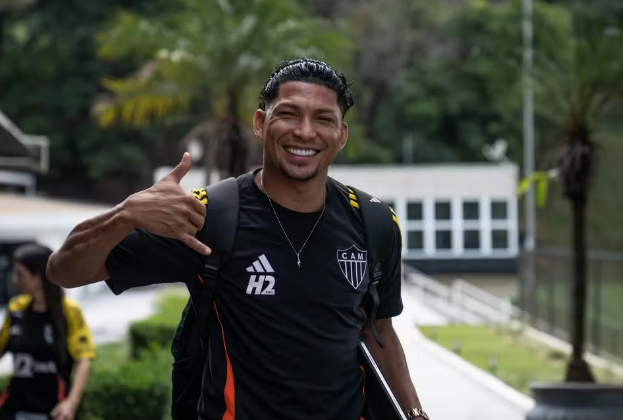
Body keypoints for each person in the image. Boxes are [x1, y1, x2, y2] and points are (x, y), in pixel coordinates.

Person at [47, 58, 429, 420]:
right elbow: (63, 270)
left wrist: (413, 412)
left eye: (323, 119)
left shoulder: (373, 222)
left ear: (341, 135)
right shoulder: (209, 216)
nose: (305, 131)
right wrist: (124, 214)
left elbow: (378, 331)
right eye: (289, 114)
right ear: (261, 123)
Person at [0, 243, 95, 420]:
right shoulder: (16, 309)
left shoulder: (69, 312)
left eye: (20, 274)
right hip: (13, 409)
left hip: (54, 411)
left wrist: (71, 403)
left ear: (38, 277)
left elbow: (83, 360)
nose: (14, 280)